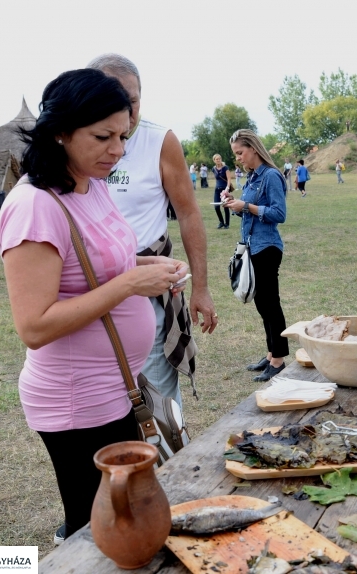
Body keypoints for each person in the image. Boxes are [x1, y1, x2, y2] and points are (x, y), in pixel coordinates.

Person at [0, 69, 189, 545]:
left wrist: (148, 269)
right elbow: (34, 326)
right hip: (75, 402)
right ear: (60, 131)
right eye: (103, 136)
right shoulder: (34, 206)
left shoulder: (92, 181)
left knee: (126, 512)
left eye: (123, 135)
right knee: (97, 528)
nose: (118, 150)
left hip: (117, 389)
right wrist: (128, 284)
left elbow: (100, 264)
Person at [88, 54, 216, 410]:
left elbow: (189, 213)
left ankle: (168, 463)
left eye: (132, 99)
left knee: (156, 401)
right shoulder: (75, 148)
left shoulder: (159, 140)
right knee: (105, 402)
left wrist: (201, 288)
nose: (125, 111)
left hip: (148, 287)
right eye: (113, 98)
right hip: (89, 288)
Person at [221, 130, 289, 382]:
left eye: (240, 152)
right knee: (262, 304)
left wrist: (246, 206)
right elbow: (248, 211)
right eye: (236, 154)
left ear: (254, 148)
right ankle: (271, 353)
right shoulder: (251, 178)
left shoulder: (271, 176)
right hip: (252, 246)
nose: (238, 158)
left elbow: (279, 214)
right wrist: (233, 203)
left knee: (270, 303)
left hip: (267, 247)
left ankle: (279, 360)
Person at [212, 154, 232, 229]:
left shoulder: (225, 168)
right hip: (217, 190)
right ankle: (221, 222)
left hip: (224, 189)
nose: (218, 160)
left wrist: (227, 188)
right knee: (216, 207)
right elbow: (217, 179)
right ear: (214, 160)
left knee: (225, 206)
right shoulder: (213, 169)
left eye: (219, 158)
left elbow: (229, 179)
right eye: (217, 159)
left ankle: (227, 223)